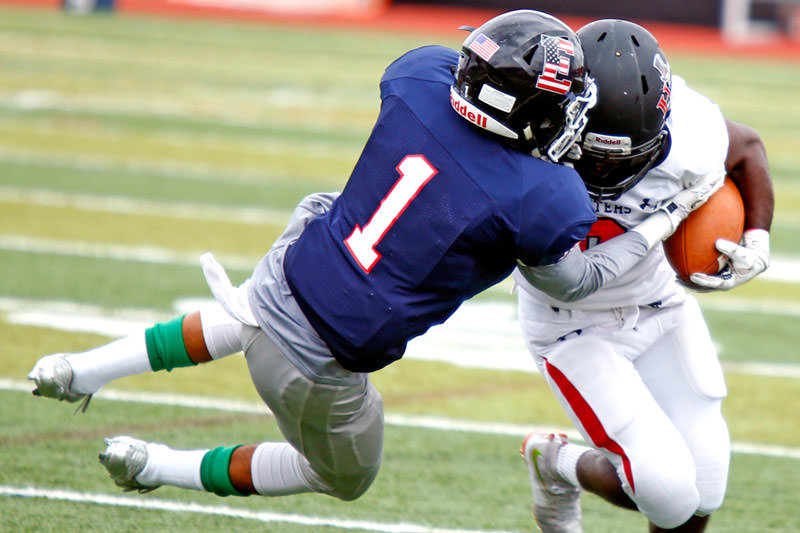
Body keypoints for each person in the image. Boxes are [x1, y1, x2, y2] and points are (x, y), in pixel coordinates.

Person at [28, 10, 719, 505]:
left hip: (299, 262)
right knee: (342, 478)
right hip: (327, 356)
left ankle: (78, 367)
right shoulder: (542, 194)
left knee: (246, 313)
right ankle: (157, 465)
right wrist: (664, 218)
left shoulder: (420, 76)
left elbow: (454, 116)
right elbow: (582, 275)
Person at [515, 19, 773, 533]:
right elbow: (569, 280)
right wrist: (666, 218)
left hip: (659, 301)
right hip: (571, 325)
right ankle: (556, 464)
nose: (609, 172)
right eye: (597, 155)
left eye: (628, 155)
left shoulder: (692, 126)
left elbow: (747, 149)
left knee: (705, 488)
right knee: (665, 492)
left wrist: (758, 238)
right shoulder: (527, 130)